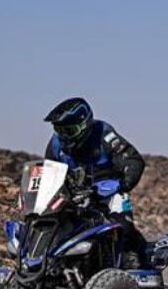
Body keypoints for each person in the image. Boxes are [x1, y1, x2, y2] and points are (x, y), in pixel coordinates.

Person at [43, 97, 147, 266]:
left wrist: (123, 184)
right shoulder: (55, 145)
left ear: (85, 125)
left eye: (69, 131)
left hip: (107, 193)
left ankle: (133, 261)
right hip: (73, 197)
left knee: (121, 223)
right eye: (59, 130)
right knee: (50, 224)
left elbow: (134, 160)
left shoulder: (104, 133)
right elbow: (49, 174)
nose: (63, 136)